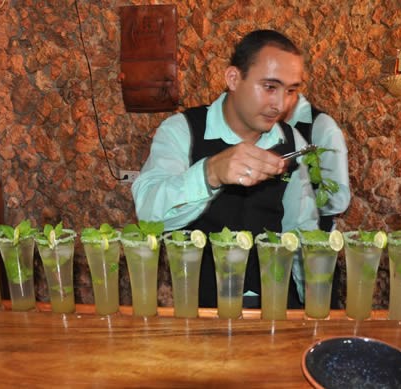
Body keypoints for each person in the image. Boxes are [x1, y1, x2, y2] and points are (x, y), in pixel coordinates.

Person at [131, 30, 318, 309]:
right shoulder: (182, 130)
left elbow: (301, 228)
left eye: (291, 91)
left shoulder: (293, 142)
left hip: (276, 304)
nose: (280, 104)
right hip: (202, 307)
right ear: (233, 78)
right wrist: (210, 172)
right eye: (270, 87)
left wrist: (311, 304)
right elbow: (149, 214)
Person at [283, 93, 351, 307]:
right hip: (275, 256)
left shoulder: (321, 126)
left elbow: (339, 199)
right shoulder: (264, 126)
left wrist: (300, 192)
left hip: (312, 258)